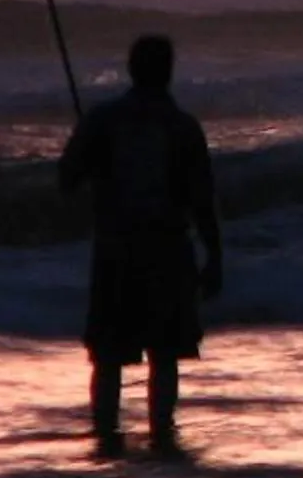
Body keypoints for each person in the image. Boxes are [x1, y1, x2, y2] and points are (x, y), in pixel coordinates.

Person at [59, 33, 222, 454]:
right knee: (164, 354)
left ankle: (105, 435)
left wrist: (90, 159)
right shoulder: (182, 127)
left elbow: (66, 181)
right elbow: (201, 200)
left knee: (108, 355)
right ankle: (162, 434)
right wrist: (214, 257)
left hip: (116, 251)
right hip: (168, 251)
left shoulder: (102, 120)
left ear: (131, 70)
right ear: (168, 71)